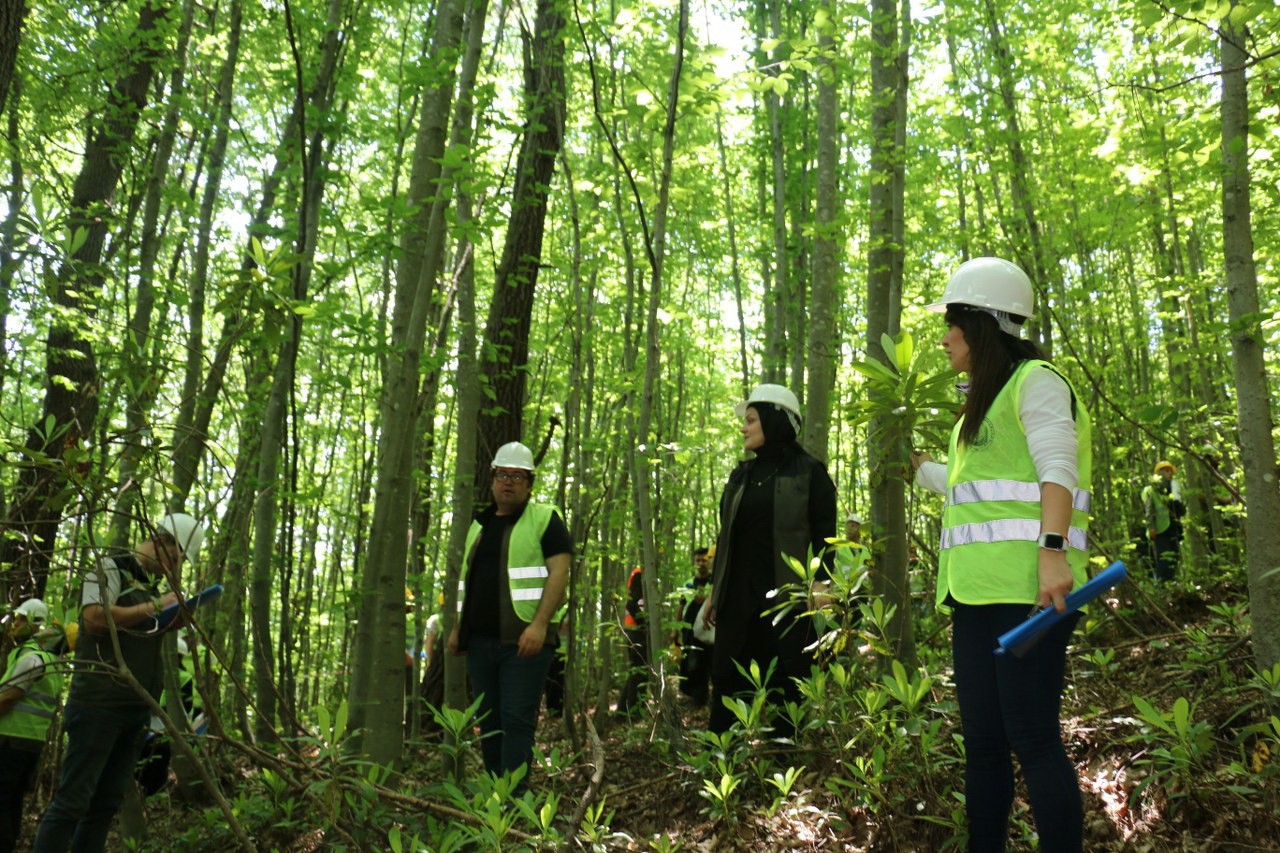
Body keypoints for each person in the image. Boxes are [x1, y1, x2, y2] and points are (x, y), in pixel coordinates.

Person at [910, 257, 1092, 853]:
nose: (943, 339)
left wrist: (1052, 554)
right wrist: (920, 472)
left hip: (1030, 593)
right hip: (974, 595)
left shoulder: (1037, 380)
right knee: (984, 745)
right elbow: (978, 489)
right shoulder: (980, 408)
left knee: (1033, 737)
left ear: (981, 325)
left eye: (951, 324)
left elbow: (1056, 470)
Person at [34, 512, 206, 853]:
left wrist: (170, 620)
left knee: (104, 805)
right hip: (98, 703)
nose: (174, 568)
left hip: (134, 709)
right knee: (72, 802)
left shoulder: (149, 586)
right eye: (174, 558)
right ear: (159, 543)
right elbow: (95, 619)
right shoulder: (108, 567)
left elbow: (138, 629)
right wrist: (156, 604)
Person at [705, 383, 837, 738]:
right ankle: (722, 766)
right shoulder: (740, 476)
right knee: (727, 681)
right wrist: (713, 593)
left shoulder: (811, 473)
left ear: (775, 421)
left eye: (751, 419)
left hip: (787, 603)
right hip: (737, 601)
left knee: (787, 682)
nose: (744, 427)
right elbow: (726, 539)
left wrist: (822, 584)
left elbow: (826, 536)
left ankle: (784, 767)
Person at [447, 441, 572, 790]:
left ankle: (515, 802)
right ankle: (494, 799)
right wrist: (459, 628)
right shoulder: (479, 525)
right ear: (492, 480)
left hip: (524, 644)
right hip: (480, 644)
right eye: (503, 474)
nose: (509, 482)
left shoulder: (546, 519)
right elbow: (468, 582)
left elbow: (560, 574)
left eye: (518, 477)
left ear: (529, 484)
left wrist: (539, 625)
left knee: (517, 722)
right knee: (488, 723)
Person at [0, 599, 65, 853]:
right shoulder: (50, 660)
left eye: (21, 619)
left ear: (35, 624)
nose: (15, 624)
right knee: (12, 800)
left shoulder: (33, 659)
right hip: (30, 742)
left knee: (3, 802)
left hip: (10, 740)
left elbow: (8, 696)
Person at [677, 547, 713, 706]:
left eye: (703, 560)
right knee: (691, 665)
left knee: (707, 664)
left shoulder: (713, 582)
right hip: (689, 631)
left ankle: (704, 699)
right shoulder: (688, 584)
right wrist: (675, 631)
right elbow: (681, 607)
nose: (700, 563)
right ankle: (696, 699)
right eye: (697, 560)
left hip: (709, 630)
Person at [1141, 460, 1184, 582]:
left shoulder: (1173, 488)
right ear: (1158, 473)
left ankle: (1172, 584)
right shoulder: (1150, 489)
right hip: (1160, 530)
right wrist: (1151, 527)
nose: (1169, 473)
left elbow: (1180, 510)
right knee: (1163, 559)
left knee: (1174, 558)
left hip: (1173, 529)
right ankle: (1161, 585)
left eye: (1170, 470)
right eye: (1166, 470)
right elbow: (1148, 510)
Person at [617, 565, 648, 713]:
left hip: (636, 630)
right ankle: (634, 713)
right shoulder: (640, 573)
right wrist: (644, 625)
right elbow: (632, 603)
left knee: (636, 673)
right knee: (639, 673)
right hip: (636, 631)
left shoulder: (644, 572)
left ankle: (623, 712)